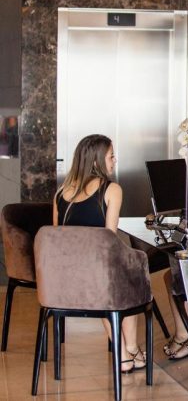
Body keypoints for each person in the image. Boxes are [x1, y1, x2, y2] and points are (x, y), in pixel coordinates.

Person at [53, 134, 145, 373]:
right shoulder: (112, 189)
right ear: (96, 161)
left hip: (63, 281)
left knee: (110, 279)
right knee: (129, 277)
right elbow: (109, 241)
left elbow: (56, 242)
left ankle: (126, 353)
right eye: (111, 156)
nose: (115, 160)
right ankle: (129, 349)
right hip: (97, 281)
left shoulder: (61, 192)